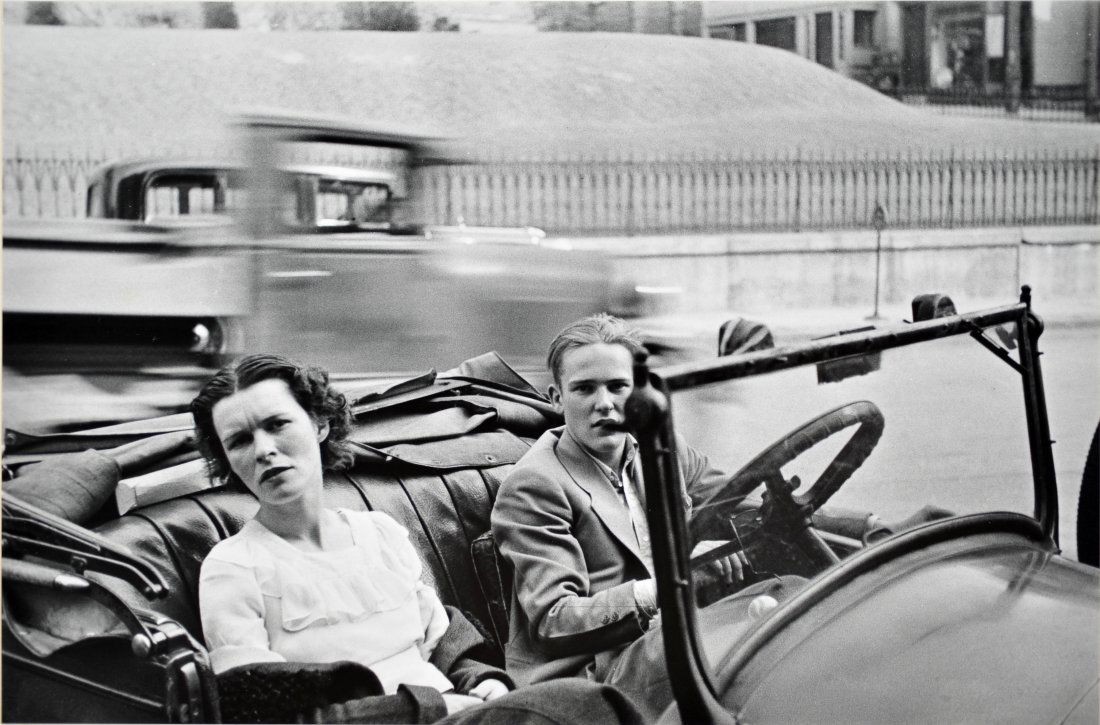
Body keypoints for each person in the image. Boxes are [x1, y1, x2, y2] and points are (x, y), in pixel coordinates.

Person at [491, 314, 937, 720]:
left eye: (618, 387)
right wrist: (672, 584)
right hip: (597, 672)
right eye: (584, 389)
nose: (604, 403)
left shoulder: (658, 450)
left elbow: (743, 504)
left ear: (638, 391)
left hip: (670, 632)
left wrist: (868, 526)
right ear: (556, 396)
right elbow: (556, 619)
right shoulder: (536, 484)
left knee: (802, 598)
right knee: (778, 633)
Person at [193, 354, 644, 725]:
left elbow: (442, 641)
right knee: (580, 705)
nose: (263, 449)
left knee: (586, 702)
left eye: (277, 425)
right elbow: (257, 713)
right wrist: (429, 708)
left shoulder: (378, 534)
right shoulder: (233, 567)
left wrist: (482, 682)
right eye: (238, 441)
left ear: (319, 425)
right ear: (228, 461)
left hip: (456, 711)